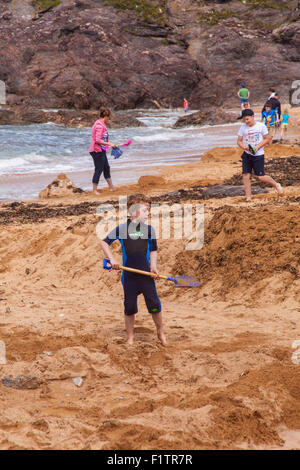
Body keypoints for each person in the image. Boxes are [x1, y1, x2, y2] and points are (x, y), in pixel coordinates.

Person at [100, 194, 167, 346]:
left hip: (146, 275)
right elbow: (104, 243)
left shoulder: (150, 230)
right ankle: (130, 337)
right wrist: (112, 259)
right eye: (145, 210)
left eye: (148, 210)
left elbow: (153, 250)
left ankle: (160, 331)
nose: (148, 213)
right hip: (129, 276)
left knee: (154, 303)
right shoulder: (122, 229)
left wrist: (154, 266)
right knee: (129, 306)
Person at [237, 108, 283, 202]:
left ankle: (276, 184)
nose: (246, 121)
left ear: (253, 117)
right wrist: (244, 148)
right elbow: (239, 141)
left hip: (258, 154)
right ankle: (248, 197)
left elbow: (267, 138)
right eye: (244, 120)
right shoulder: (243, 127)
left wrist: (257, 147)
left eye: (247, 119)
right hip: (247, 154)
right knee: (245, 175)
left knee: (261, 177)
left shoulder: (261, 126)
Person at [89, 107, 116, 194]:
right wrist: (109, 144)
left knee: (106, 167)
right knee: (99, 169)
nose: (109, 119)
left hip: (101, 150)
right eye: (109, 118)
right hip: (96, 151)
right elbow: (98, 140)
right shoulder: (99, 126)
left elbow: (103, 139)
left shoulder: (101, 124)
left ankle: (111, 187)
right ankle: (94, 190)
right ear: (106, 116)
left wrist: (110, 144)